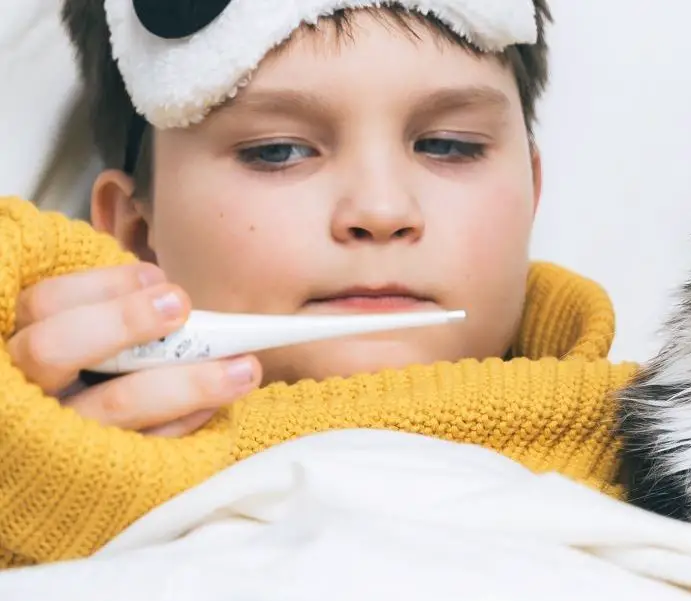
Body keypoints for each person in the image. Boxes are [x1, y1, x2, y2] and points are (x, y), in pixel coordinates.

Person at [0, 0, 638, 569]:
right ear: (138, 234)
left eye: (448, 145)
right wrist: (42, 493)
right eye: (277, 151)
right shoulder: (34, 488)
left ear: (530, 196)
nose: (381, 209)